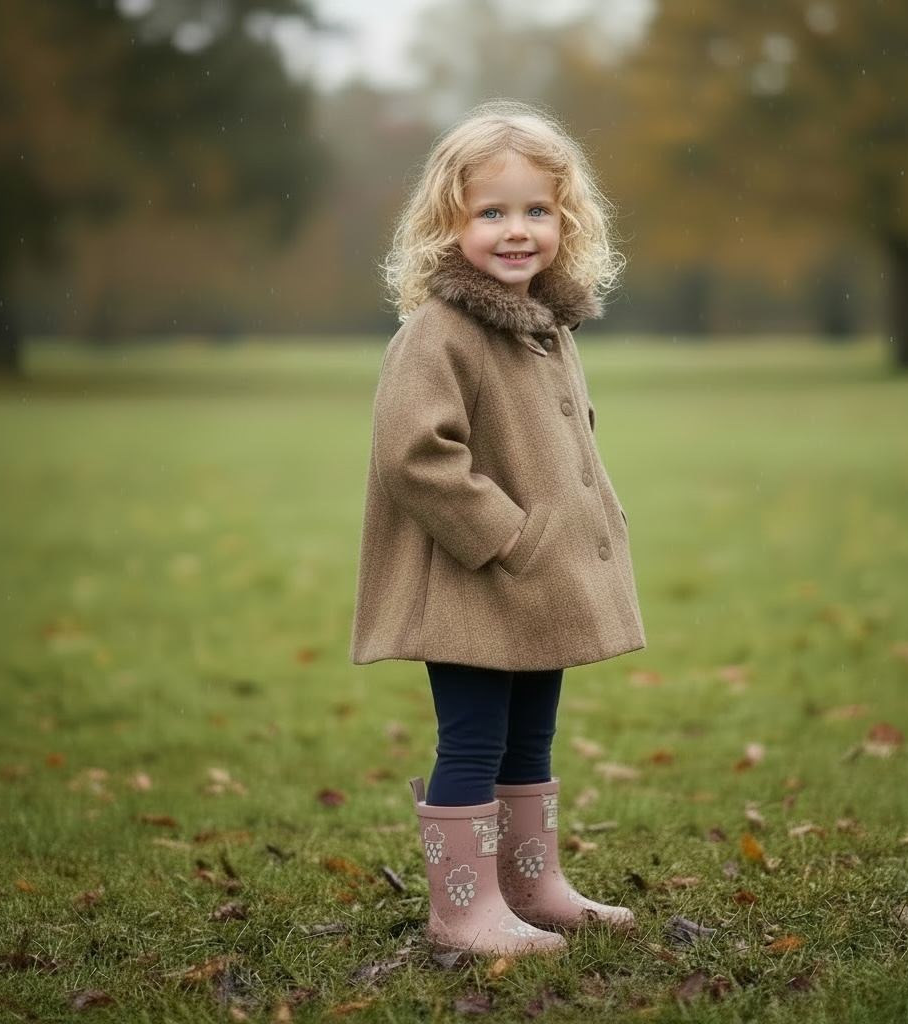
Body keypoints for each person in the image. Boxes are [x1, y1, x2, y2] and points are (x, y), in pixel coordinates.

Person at [351, 100, 646, 956]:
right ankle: (463, 907)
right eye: (491, 212)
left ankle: (530, 884)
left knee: (532, 733)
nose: (516, 231)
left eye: (536, 211)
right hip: (479, 582)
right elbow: (414, 454)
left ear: (565, 219)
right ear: (448, 223)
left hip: (539, 583)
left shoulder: (547, 325)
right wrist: (509, 536)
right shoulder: (438, 334)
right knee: (474, 738)